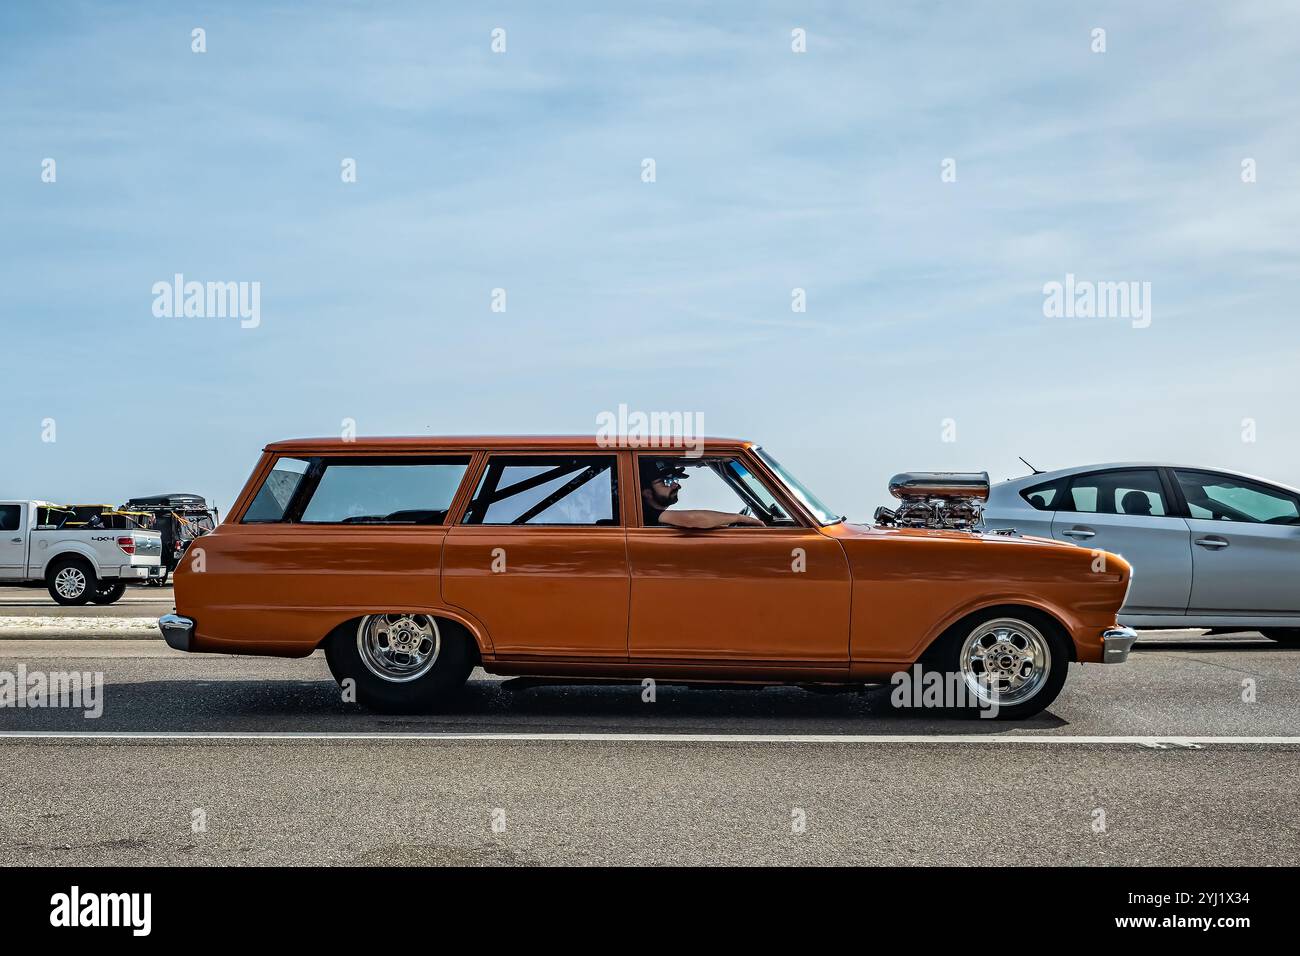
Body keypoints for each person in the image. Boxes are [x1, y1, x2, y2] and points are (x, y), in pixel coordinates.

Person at [639, 459, 766, 529]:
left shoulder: (647, 512)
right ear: (646, 492)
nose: (676, 485)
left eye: (673, 479)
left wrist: (703, 460)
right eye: (666, 481)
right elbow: (692, 519)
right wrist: (740, 518)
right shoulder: (645, 514)